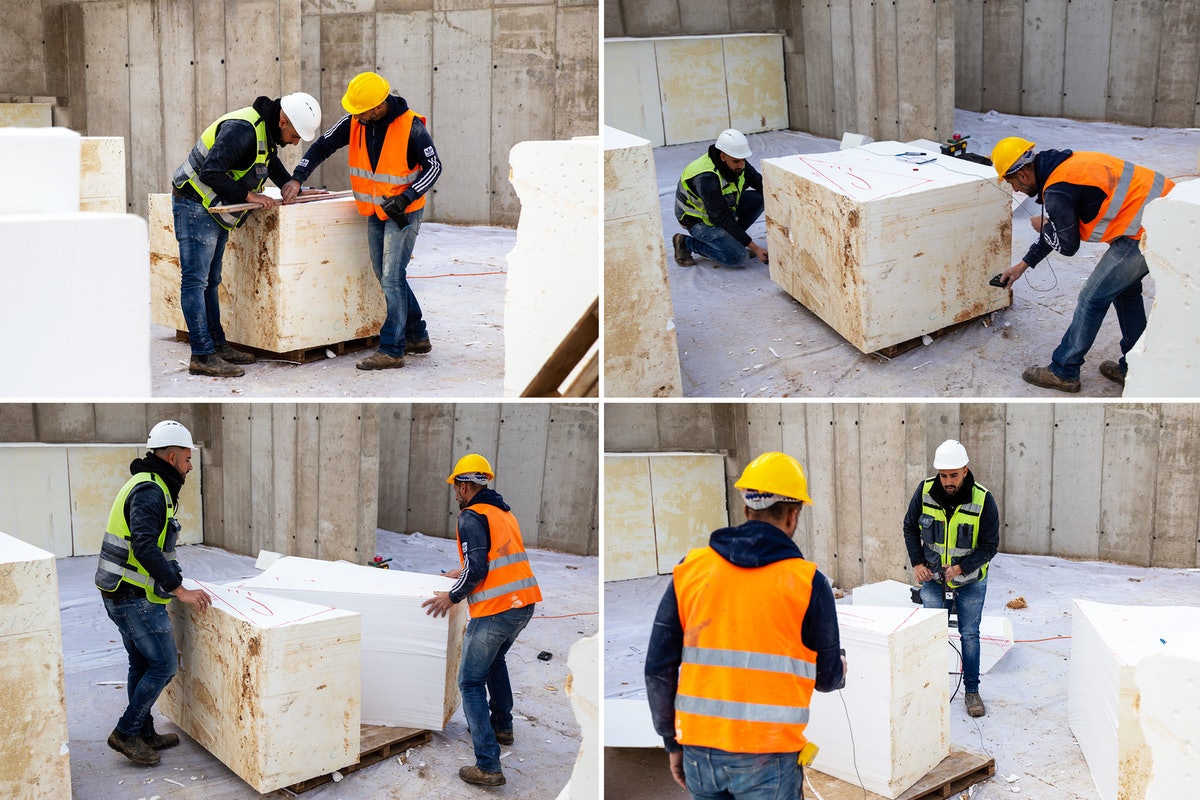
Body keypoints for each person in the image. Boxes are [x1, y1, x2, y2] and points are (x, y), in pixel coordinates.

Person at [645, 451, 845, 799]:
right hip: (770, 755)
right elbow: (827, 679)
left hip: (699, 750)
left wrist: (671, 743)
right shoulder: (809, 582)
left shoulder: (690, 568)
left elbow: (658, 668)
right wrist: (839, 667)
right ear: (793, 514)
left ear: (746, 510)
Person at [991, 136, 1175, 393]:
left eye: (1011, 183)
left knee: (1092, 297)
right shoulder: (1063, 166)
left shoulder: (1058, 189)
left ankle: (1064, 371)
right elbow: (1062, 227)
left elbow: (1068, 245)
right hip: (1166, 215)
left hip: (1149, 229)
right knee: (1124, 290)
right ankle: (1135, 368)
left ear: (1022, 175)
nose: (1015, 191)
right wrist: (1022, 266)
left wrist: (1044, 226)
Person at [284, 72, 442, 371]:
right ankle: (417, 336)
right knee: (386, 276)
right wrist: (297, 176)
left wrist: (407, 197)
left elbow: (434, 167)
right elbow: (322, 146)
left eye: (362, 111)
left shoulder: (412, 127)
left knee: (392, 278)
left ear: (379, 106)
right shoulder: (356, 121)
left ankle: (392, 350)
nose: (356, 116)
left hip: (402, 212)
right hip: (374, 211)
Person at [171, 92, 322, 378]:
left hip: (211, 207)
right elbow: (210, 171)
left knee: (210, 281)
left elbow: (269, 162)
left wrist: (294, 186)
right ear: (282, 121)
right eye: (294, 134)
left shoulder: (264, 129)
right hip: (193, 204)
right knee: (195, 281)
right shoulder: (242, 129)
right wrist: (248, 195)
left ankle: (217, 345)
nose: (295, 141)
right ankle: (202, 355)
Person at [95, 420, 213, 766]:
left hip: (121, 592)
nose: (190, 466)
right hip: (133, 597)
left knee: (141, 662)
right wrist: (179, 589)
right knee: (162, 666)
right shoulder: (150, 490)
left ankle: (144, 732)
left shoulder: (148, 482)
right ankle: (127, 731)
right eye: (188, 459)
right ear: (173, 456)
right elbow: (146, 546)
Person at [421, 454, 542, 787]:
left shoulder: (471, 516)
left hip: (497, 610)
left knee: (470, 682)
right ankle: (502, 727)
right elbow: (493, 557)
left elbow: (478, 570)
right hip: (524, 604)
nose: (455, 494)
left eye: (456, 487)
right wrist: (461, 572)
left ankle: (488, 765)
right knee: (494, 662)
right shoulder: (502, 512)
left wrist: (452, 595)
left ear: (464, 484)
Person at [902, 439, 999, 718]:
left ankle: (971, 692)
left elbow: (990, 545)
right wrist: (918, 562)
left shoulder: (983, 499)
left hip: (971, 580)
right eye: (943, 476)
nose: (947, 481)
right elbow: (910, 527)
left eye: (953, 475)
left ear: (965, 471)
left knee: (969, 634)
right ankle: (930, 690)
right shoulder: (925, 491)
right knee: (932, 634)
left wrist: (961, 568)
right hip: (932, 578)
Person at [672, 128, 769, 269]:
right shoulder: (706, 178)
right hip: (698, 221)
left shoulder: (737, 161)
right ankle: (686, 243)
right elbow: (722, 217)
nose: (741, 165)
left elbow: (761, 184)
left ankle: (730, 242)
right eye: (736, 161)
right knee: (738, 257)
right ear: (723, 156)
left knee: (760, 198)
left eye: (743, 160)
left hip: (722, 210)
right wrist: (754, 247)